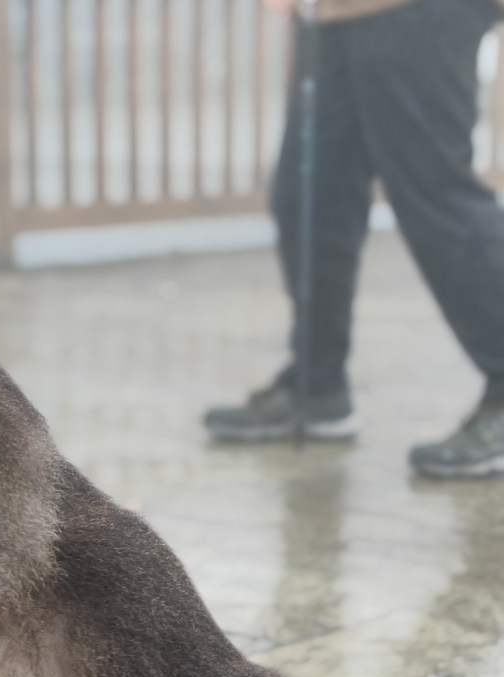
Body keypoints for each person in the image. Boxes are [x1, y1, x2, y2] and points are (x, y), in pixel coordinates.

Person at [204, 0, 504, 479]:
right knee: (308, 197)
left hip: (420, 12)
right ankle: (316, 387)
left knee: (435, 194)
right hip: (333, 16)